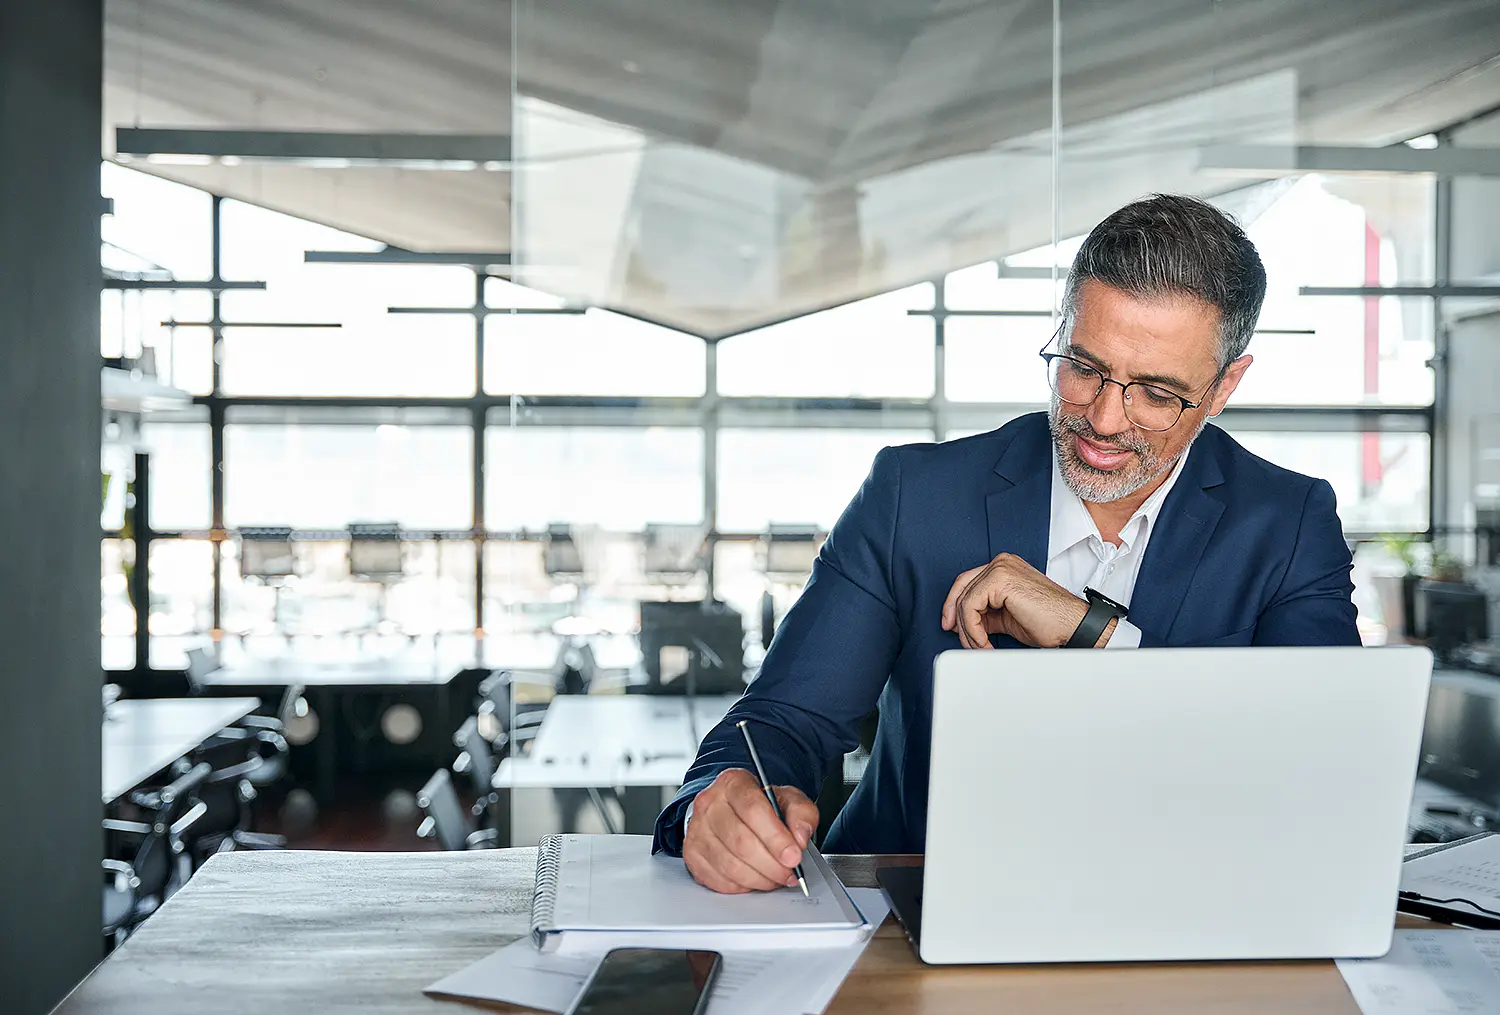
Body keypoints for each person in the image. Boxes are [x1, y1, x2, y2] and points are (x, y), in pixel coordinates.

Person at [654, 194, 1360, 894]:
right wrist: (717, 802)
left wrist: (1095, 635)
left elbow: (1312, 773)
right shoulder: (914, 497)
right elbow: (783, 720)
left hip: (1180, 915)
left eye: (1155, 392)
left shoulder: (1289, 524)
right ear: (1062, 326)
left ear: (1226, 384)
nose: (1105, 419)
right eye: (1083, 365)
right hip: (904, 917)